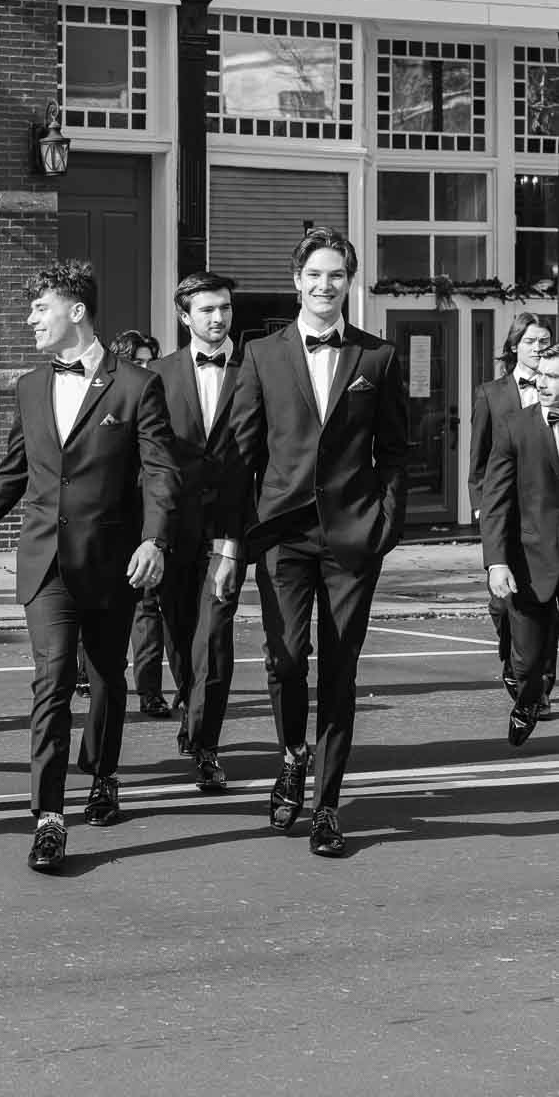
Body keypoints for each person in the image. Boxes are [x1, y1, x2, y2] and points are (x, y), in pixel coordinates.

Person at [0, 259, 180, 874]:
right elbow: (9, 477)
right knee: (52, 679)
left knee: (109, 675)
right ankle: (49, 818)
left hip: (113, 562)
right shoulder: (30, 387)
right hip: (44, 564)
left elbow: (161, 472)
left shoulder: (136, 386)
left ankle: (104, 773)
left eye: (40, 308)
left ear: (75, 312)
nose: (29, 319)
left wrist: (154, 540)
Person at [219, 227, 408, 859]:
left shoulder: (377, 358)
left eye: (337, 275)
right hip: (282, 536)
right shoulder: (261, 354)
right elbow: (241, 455)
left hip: (353, 538)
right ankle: (293, 753)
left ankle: (327, 804)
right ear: (297, 281)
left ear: (348, 282)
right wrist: (232, 542)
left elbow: (395, 454)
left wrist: (384, 525)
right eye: (315, 275)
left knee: (340, 670)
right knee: (286, 660)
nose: (325, 285)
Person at [152, 272, 247, 790]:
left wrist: (238, 537)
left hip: (227, 527)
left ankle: (207, 744)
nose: (218, 318)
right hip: (172, 527)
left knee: (213, 635)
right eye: (207, 310)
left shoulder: (254, 367)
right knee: (179, 631)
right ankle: (191, 702)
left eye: (225, 308)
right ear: (186, 316)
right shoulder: (157, 375)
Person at [468, 312, 557, 713]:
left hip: (544, 514)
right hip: (504, 508)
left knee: (543, 601)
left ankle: (538, 684)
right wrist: (480, 505)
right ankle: (514, 660)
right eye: (530, 340)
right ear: (515, 346)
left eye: (544, 340)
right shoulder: (492, 393)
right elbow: (479, 459)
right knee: (501, 604)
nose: (537, 347)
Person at [110, 330, 169, 717]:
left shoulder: (157, 398)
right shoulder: (106, 395)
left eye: (152, 361)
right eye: (139, 361)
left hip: (144, 518)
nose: (148, 368)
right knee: (95, 605)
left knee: (147, 605)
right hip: (105, 520)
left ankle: (150, 690)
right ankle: (88, 671)